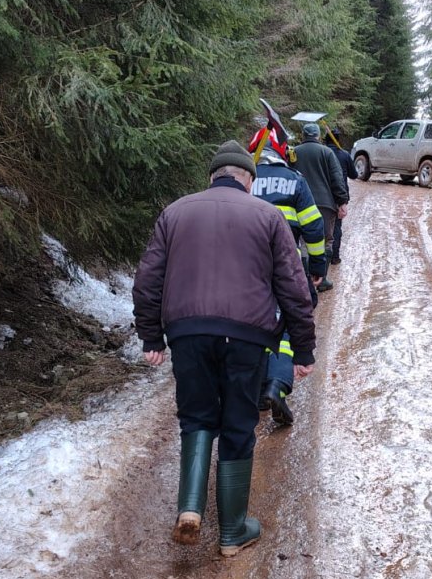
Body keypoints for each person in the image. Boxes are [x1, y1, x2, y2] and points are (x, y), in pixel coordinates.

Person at [132, 140, 316, 555]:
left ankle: (190, 509)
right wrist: (303, 350)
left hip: (188, 333)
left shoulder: (175, 212)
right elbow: (295, 289)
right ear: (249, 180)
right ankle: (232, 531)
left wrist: (151, 336)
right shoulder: (268, 216)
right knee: (237, 424)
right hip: (247, 337)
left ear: (212, 177)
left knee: (196, 416)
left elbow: (147, 281)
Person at [248, 121, 327, 426]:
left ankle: (257, 388)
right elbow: (314, 226)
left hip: (246, 266)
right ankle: (277, 384)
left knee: (253, 321)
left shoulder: (245, 179)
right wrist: (318, 267)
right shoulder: (294, 181)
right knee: (287, 321)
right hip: (285, 263)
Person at [292, 121, 347, 291]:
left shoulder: (293, 152)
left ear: (303, 135)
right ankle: (321, 280)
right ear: (318, 136)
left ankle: (304, 281)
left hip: (300, 202)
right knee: (326, 240)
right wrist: (342, 201)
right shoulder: (327, 152)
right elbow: (336, 178)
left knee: (302, 241)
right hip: (325, 204)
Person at [323, 127, 357, 265]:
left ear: (325, 140)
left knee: (322, 226)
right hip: (340, 196)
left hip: (324, 195)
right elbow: (354, 175)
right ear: (338, 140)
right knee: (336, 227)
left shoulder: (322, 153)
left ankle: (322, 257)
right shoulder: (344, 155)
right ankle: (335, 257)